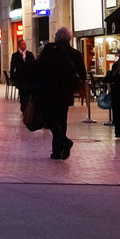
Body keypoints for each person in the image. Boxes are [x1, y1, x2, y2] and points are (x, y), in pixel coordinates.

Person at [32, 28, 86, 159]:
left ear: (57, 37)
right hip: (66, 92)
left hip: (48, 91)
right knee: (62, 119)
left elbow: (38, 68)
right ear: (69, 39)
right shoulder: (75, 54)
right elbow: (82, 74)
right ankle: (59, 149)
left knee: (49, 119)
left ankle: (63, 143)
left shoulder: (49, 50)